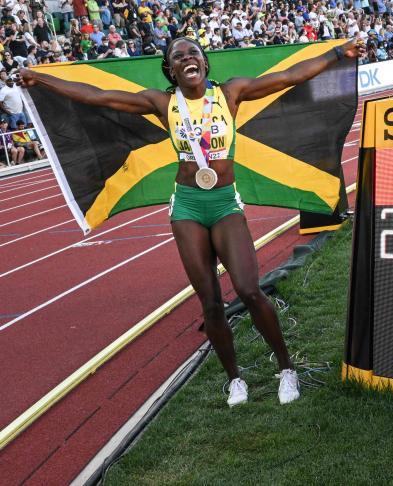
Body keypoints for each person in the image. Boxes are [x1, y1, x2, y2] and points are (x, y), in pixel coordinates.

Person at [18, 36, 364, 408]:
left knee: (249, 289)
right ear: (171, 69)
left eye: (193, 53)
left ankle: (286, 369)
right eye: (178, 56)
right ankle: (235, 380)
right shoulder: (162, 103)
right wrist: (43, 79)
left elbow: (290, 76)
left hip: (224, 203)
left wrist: (336, 54)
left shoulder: (231, 94)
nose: (187, 59)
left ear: (205, 63)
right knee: (211, 303)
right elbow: (98, 96)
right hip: (187, 207)